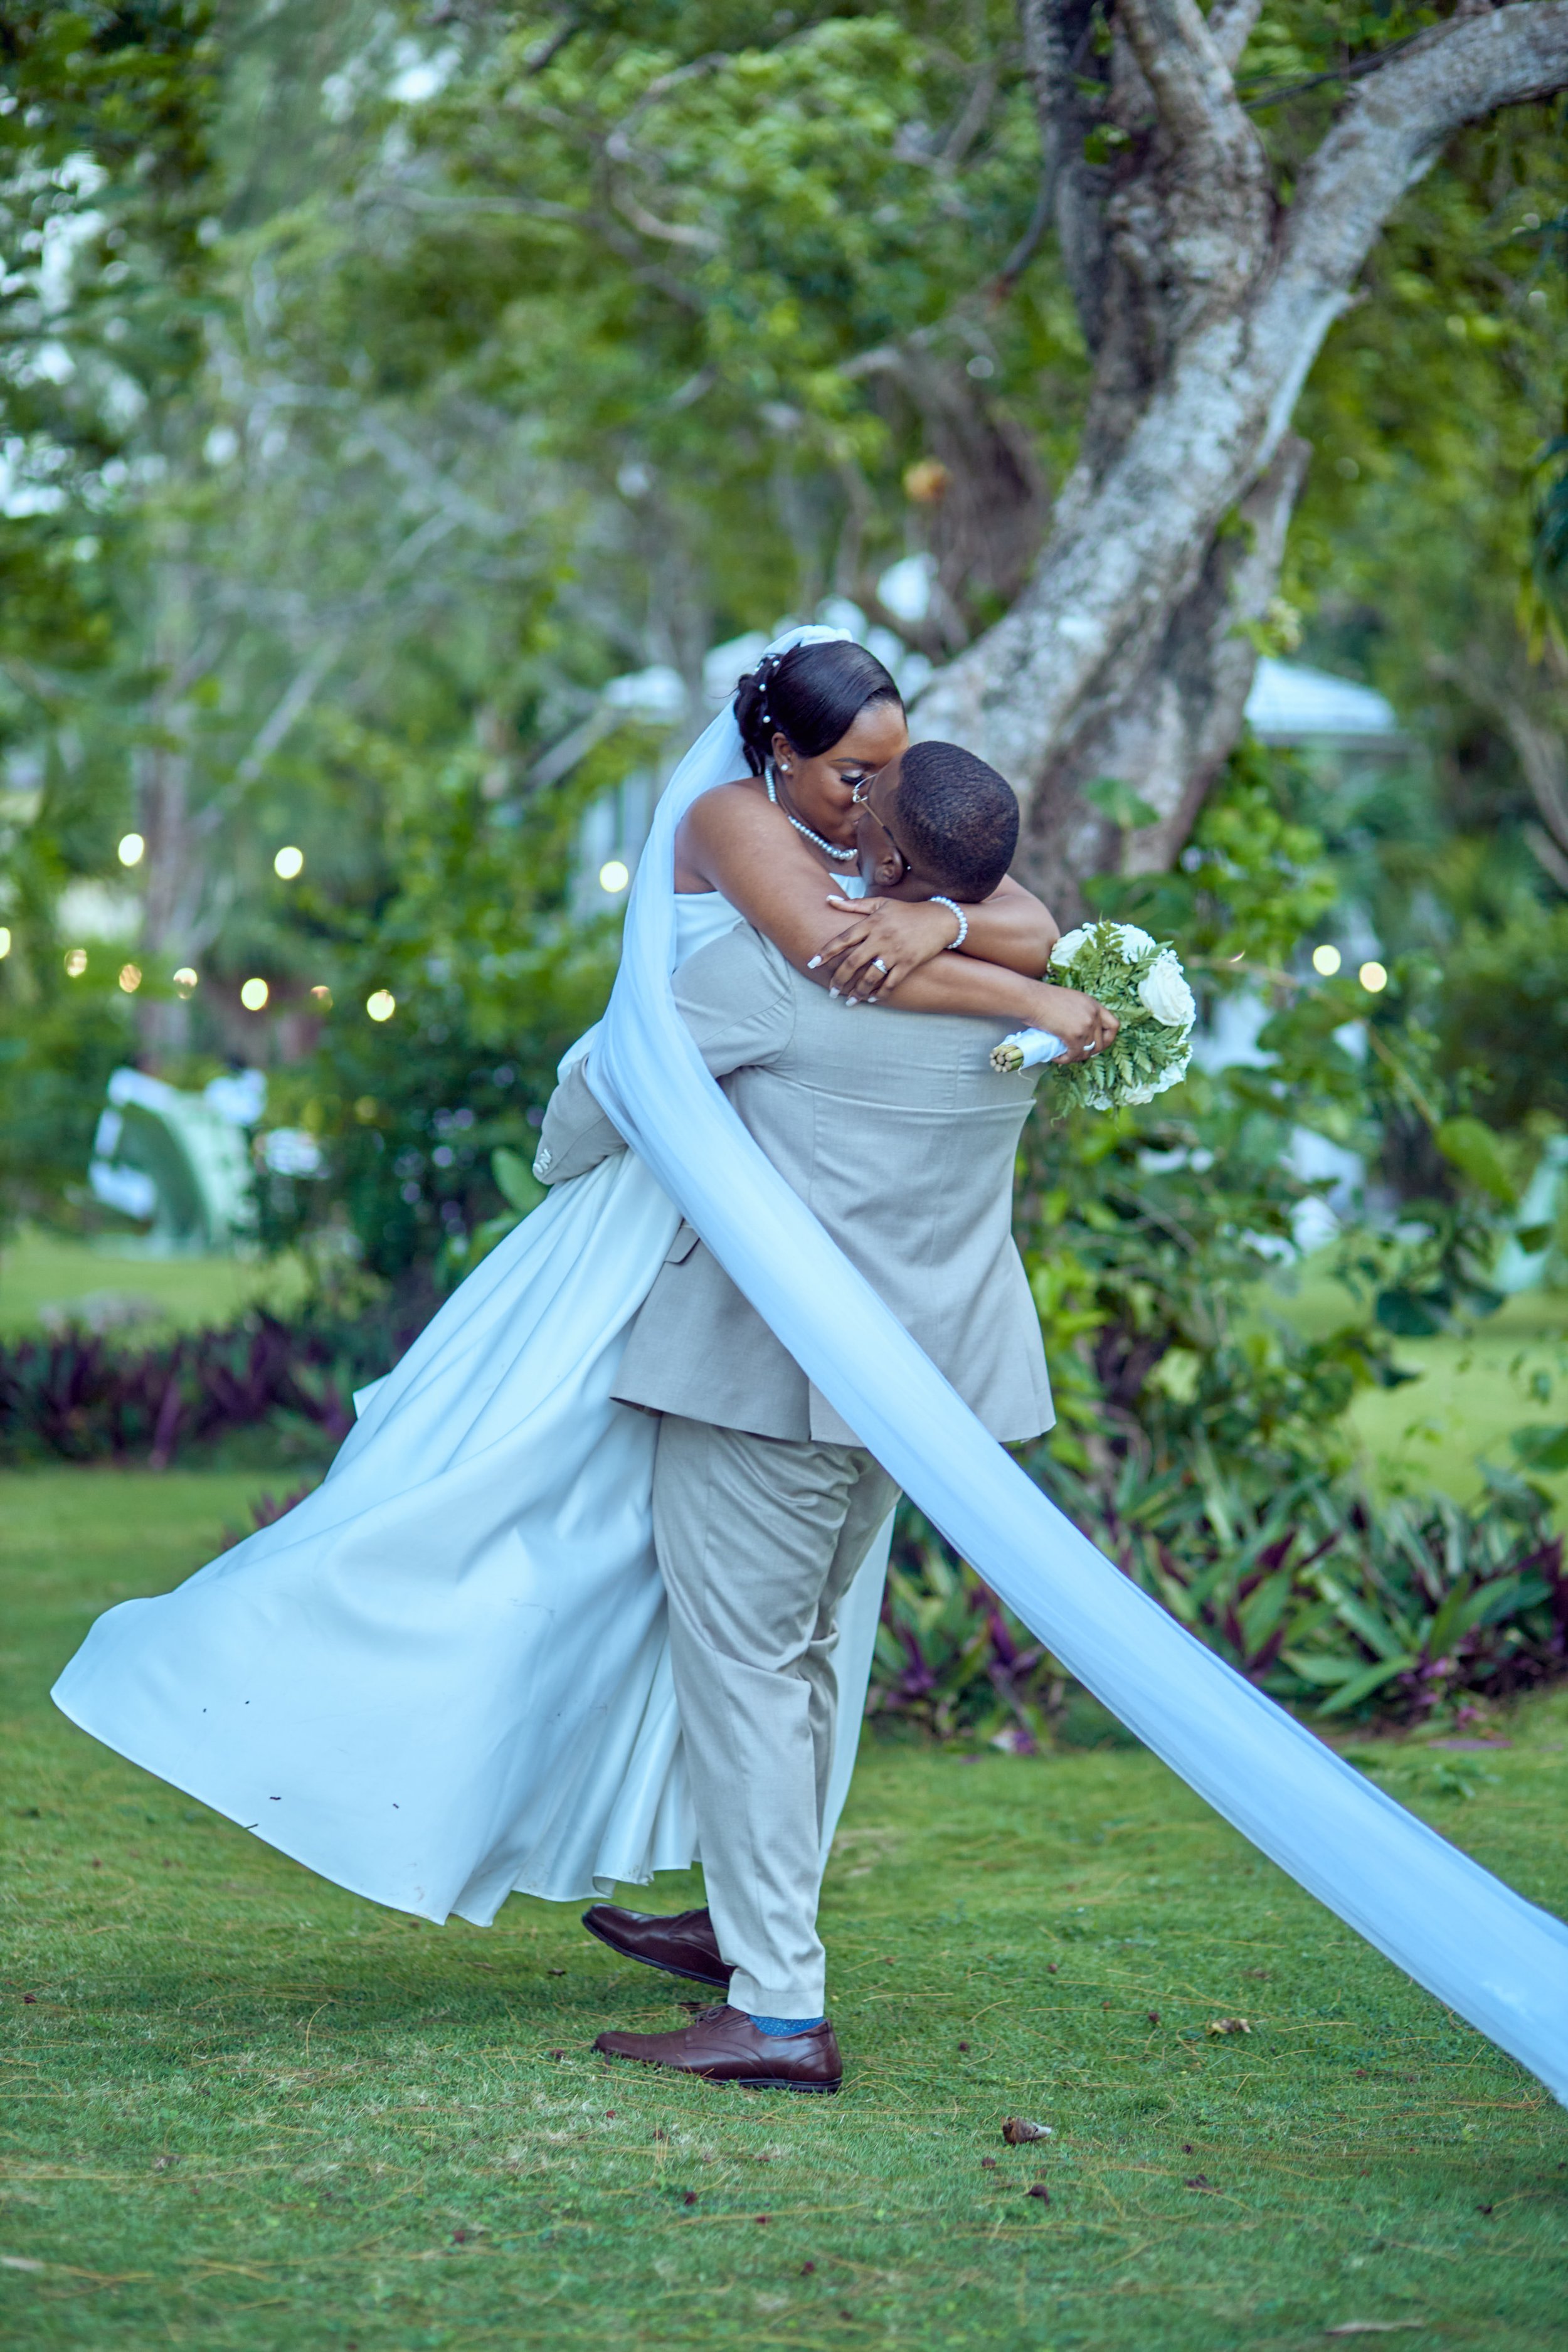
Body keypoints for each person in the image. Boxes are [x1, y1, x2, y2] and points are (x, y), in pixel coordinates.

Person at [50, 629, 1104, 1929]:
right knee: (517, 1484)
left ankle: (743, 1917)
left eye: (890, 775)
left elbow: (1028, 919)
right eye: (852, 773)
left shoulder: (870, 850)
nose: (873, 799)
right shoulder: (732, 821)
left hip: (765, 1205)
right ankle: (315, 1687)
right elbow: (823, 958)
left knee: (749, 1612)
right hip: (662, 1177)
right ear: (779, 751)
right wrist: (1028, 1003)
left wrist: (943, 916)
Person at [540, 741, 1052, 2090]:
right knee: (808, 1656)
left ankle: (775, 2009)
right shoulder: (1031, 993)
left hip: (771, 1379)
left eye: (862, 811)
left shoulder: (778, 973)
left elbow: (598, 1098)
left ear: (884, 861)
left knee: (750, 1671)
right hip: (918, 1389)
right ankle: (741, 1924)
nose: (837, 820)